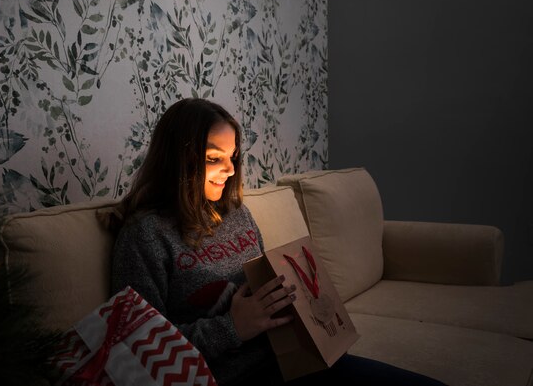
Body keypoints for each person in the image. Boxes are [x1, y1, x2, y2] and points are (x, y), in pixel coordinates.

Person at [111, 98, 447, 386]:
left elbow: (262, 284)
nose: (229, 169)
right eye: (214, 158)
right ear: (176, 161)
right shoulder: (146, 235)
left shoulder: (236, 213)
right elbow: (139, 350)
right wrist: (232, 327)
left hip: (291, 362)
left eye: (233, 156)